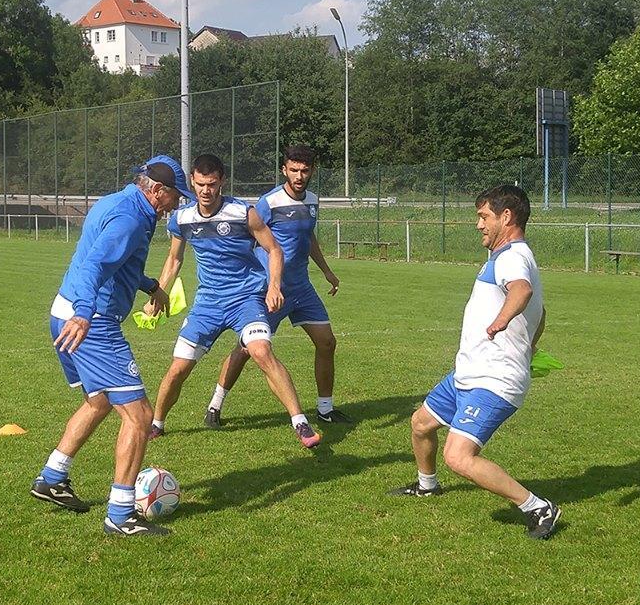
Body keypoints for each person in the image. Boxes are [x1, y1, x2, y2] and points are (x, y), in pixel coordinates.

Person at [29, 155, 192, 537]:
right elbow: (95, 266)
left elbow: (117, 262)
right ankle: (120, 515)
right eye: (175, 196)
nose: (176, 204)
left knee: (99, 401)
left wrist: (151, 285)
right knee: (140, 415)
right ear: (157, 190)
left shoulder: (118, 202)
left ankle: (52, 477)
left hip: (62, 310)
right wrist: (85, 314)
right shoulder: (131, 218)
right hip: (90, 321)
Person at [390, 184, 561, 540]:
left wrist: (501, 321)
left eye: (484, 217)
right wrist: (530, 344)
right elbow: (541, 312)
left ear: (506, 217)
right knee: (421, 423)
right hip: (468, 372)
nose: (479, 224)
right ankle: (427, 485)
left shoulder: (513, 257)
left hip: (494, 379)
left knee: (459, 456)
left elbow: (523, 292)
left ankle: (538, 507)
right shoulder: (505, 257)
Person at [145, 153, 321, 449]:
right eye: (200, 184)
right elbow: (174, 259)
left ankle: (300, 422)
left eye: (212, 184)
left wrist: (273, 286)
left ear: (222, 182)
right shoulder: (182, 218)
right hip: (208, 305)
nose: (206, 191)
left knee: (261, 351)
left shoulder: (243, 213)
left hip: (245, 300)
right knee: (178, 369)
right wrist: (158, 294)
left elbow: (274, 249)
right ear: (192, 182)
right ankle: (156, 424)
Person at [201, 145, 349, 430]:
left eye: (304, 170)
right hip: (271, 289)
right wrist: (256, 281)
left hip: (302, 288)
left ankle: (325, 410)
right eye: (293, 170)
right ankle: (215, 404)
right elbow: (250, 236)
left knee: (327, 342)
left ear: (312, 171)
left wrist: (327, 271)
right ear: (284, 170)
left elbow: (308, 237)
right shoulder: (269, 202)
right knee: (248, 348)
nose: (299, 176)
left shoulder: (313, 201)